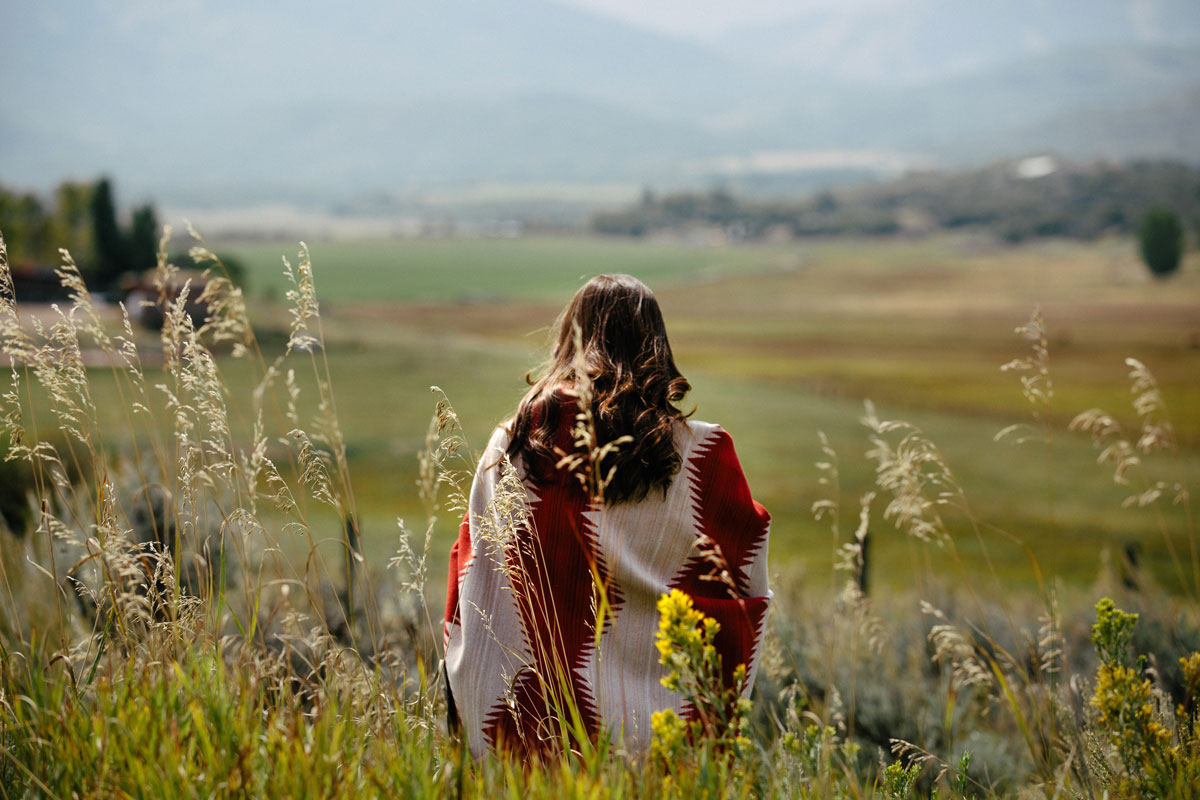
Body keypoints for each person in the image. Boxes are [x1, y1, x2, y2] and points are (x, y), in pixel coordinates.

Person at [443, 274, 770, 757]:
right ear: (657, 348)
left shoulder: (517, 444)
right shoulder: (705, 455)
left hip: (536, 728)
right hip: (663, 732)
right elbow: (742, 583)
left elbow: (475, 570)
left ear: (568, 341)